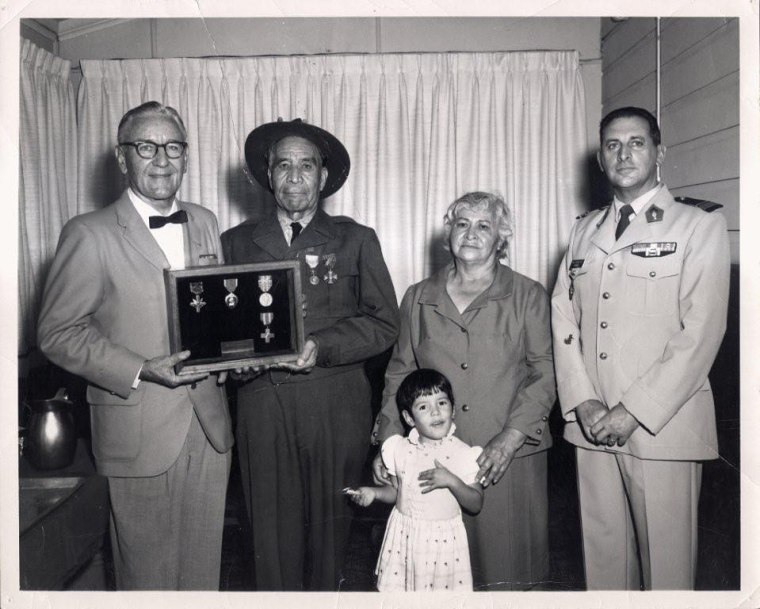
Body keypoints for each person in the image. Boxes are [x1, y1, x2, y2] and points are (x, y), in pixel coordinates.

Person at [37, 101, 233, 590]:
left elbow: (216, 309)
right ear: (123, 158)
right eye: (147, 147)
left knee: (202, 577)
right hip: (137, 432)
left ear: (187, 157)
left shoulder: (206, 221)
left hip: (209, 429)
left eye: (173, 147)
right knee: (146, 581)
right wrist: (142, 367)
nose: (162, 160)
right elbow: (57, 334)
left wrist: (233, 355)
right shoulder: (88, 233)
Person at [551, 106, 730, 590]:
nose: (623, 153)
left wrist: (633, 410)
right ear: (601, 159)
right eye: (612, 145)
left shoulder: (698, 225)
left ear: (659, 153)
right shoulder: (584, 230)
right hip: (590, 425)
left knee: (667, 572)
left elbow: (700, 334)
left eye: (636, 142)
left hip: (662, 425)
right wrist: (583, 400)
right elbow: (563, 319)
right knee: (603, 568)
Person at [221, 118, 400, 591]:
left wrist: (323, 347)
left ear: (323, 177)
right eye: (284, 165)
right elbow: (220, 330)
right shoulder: (235, 242)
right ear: (268, 175)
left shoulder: (356, 238)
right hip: (261, 405)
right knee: (268, 535)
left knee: (330, 534)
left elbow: (385, 324)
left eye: (307, 165)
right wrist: (232, 361)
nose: (295, 176)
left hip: (335, 407)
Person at [373, 191, 556, 590]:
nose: (471, 234)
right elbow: (399, 374)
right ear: (449, 233)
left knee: (508, 576)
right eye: (462, 224)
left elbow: (545, 372)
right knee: (435, 577)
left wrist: (510, 438)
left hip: (507, 456)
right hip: (431, 461)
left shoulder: (529, 296)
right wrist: (388, 446)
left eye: (483, 225)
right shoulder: (418, 297)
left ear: (501, 238)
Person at [349, 368, 483, 592]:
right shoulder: (399, 449)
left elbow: (476, 503)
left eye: (442, 403)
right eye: (424, 407)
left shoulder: (463, 454)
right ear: (409, 418)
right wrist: (374, 493)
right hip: (405, 539)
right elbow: (396, 492)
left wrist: (451, 481)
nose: (436, 412)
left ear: (453, 409)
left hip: (442, 546)